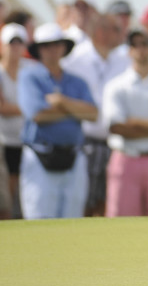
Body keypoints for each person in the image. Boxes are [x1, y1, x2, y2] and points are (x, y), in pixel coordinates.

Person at [17, 23, 98, 219]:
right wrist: (75, 110)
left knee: (72, 221)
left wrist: (61, 102)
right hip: (40, 156)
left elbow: (93, 114)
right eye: (46, 45)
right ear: (38, 49)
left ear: (63, 47)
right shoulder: (29, 76)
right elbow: (37, 115)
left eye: (56, 44)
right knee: (39, 221)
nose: (52, 49)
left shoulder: (77, 81)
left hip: (73, 156)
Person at [101, 28, 148, 217]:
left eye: (145, 44)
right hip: (126, 158)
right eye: (135, 45)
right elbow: (117, 127)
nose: (140, 49)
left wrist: (134, 123)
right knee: (121, 222)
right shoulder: (116, 86)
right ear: (129, 50)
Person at [62, 13, 129, 216]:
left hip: (115, 144)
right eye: (116, 29)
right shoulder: (74, 61)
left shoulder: (123, 59)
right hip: (85, 144)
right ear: (101, 32)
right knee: (84, 201)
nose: (121, 34)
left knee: (106, 203)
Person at [0, 23, 28, 218]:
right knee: (7, 196)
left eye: (19, 43)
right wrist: (30, 108)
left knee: (22, 194)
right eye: (12, 43)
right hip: (3, 143)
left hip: (26, 142)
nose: (15, 47)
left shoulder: (31, 70)